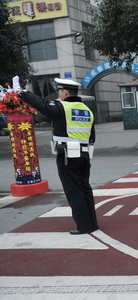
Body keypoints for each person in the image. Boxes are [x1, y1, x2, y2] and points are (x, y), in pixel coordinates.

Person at [17, 77, 99, 235]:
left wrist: (23, 93)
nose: (59, 95)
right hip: (83, 156)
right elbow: (91, 137)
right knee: (85, 189)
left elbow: (41, 104)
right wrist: (88, 158)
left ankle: (84, 226)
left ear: (65, 92)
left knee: (74, 191)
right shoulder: (86, 110)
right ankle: (92, 223)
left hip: (68, 156)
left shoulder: (62, 107)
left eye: (59, 92)